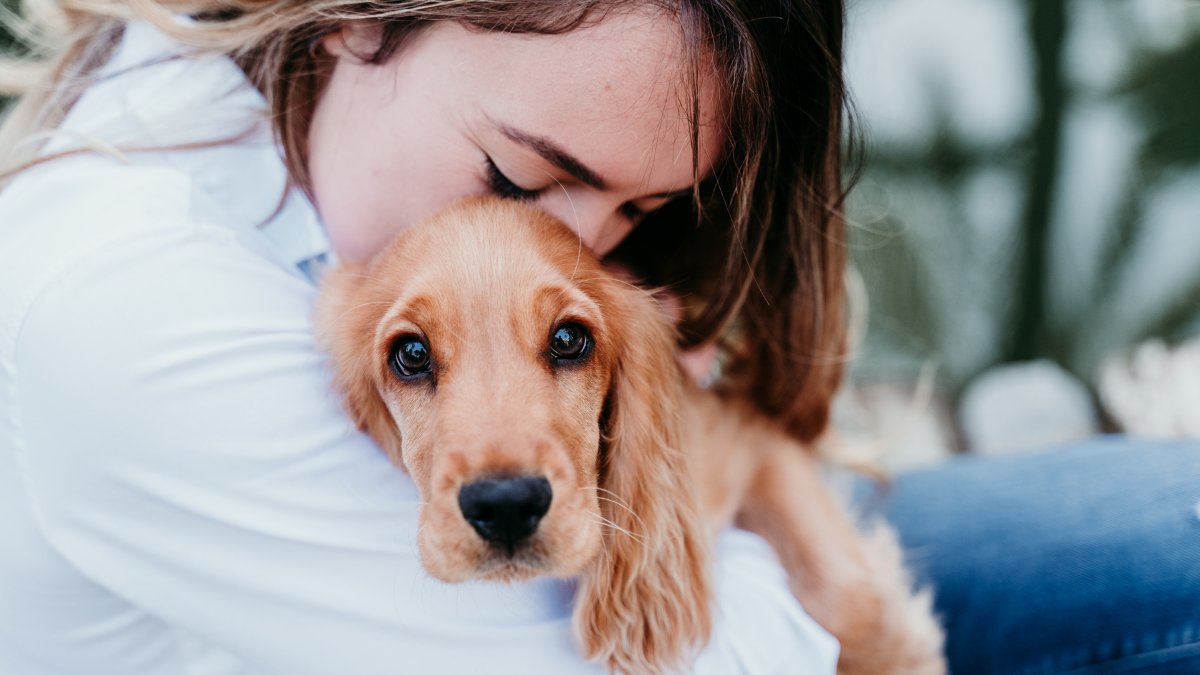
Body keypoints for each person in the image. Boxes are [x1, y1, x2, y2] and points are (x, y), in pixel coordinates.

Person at [0, 2, 1197, 675]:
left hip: (744, 557)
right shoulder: (124, 308)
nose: (593, 258)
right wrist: (783, 537)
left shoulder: (311, 109)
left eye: (636, 211)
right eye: (524, 176)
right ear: (357, 23)